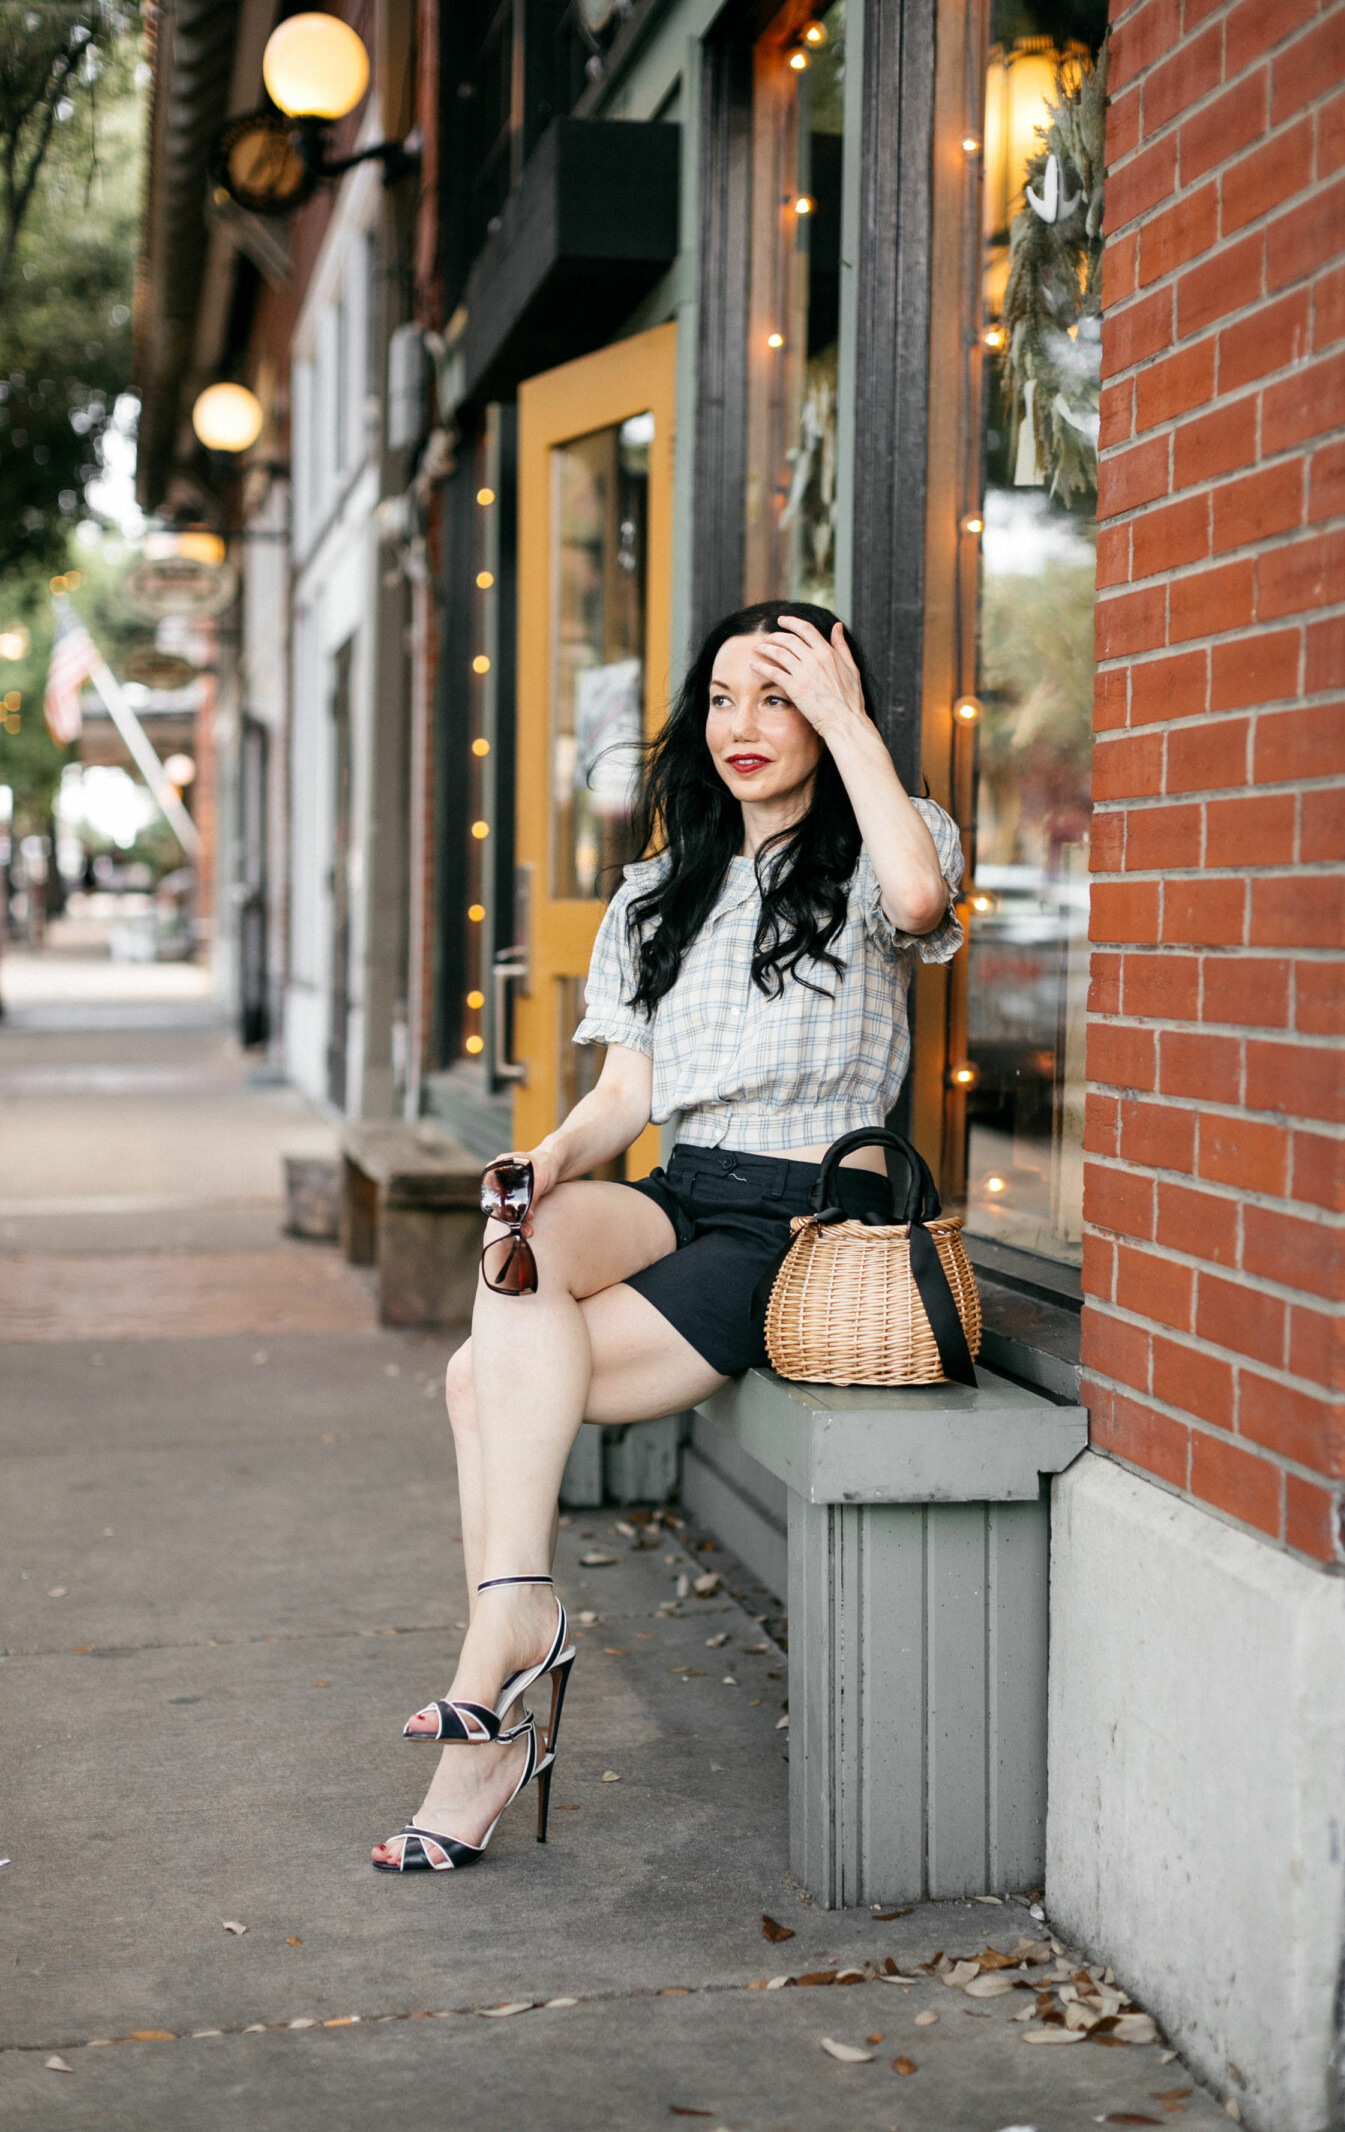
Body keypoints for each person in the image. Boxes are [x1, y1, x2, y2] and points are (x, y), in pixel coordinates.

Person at [372, 601, 965, 1872]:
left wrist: (855, 720)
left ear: (832, 715)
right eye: (724, 699)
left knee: (482, 1377)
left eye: (782, 695)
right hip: (681, 1190)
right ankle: (517, 1614)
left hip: (804, 1215)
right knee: (520, 1241)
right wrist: (539, 1161)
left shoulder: (880, 855)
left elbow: (920, 900)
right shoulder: (657, 892)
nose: (744, 726)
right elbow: (627, 1100)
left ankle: (491, 1716)